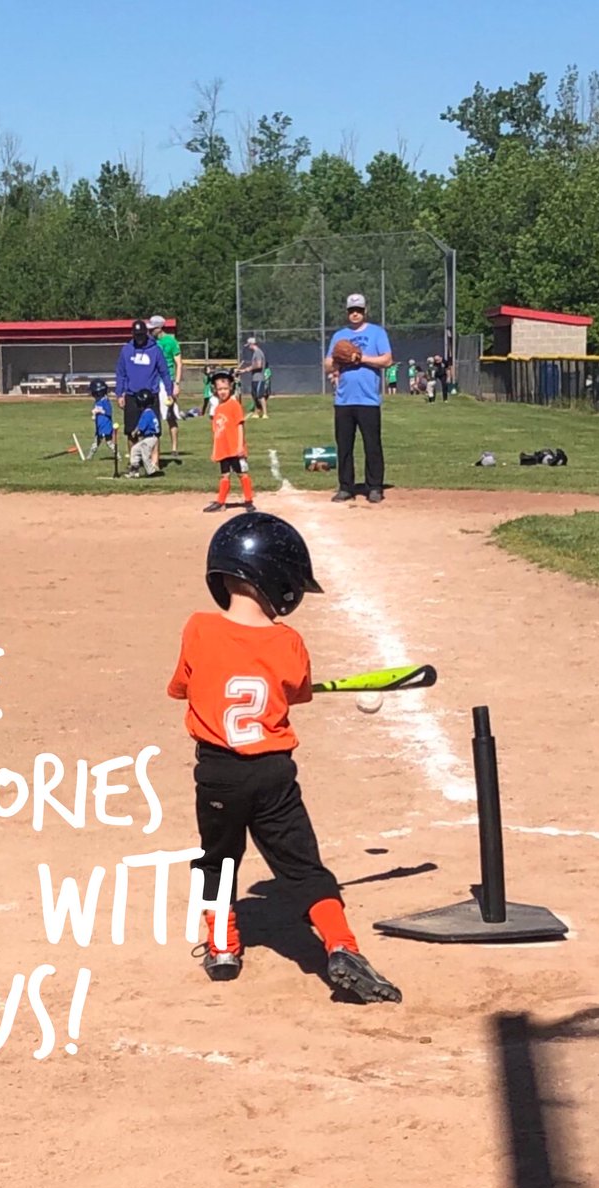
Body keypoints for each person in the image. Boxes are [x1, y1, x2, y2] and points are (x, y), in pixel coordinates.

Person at [166, 511, 402, 1003]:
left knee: (217, 860)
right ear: (279, 582)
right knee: (303, 867)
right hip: (274, 776)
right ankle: (341, 945)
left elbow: (183, 687)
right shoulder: (288, 642)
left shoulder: (197, 629)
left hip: (218, 775)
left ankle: (223, 945)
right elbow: (293, 691)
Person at [325, 294, 393, 504]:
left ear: (365, 311)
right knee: (344, 446)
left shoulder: (377, 333)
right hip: (344, 400)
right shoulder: (339, 335)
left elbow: (387, 360)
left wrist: (360, 358)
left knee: (372, 445)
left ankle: (374, 487)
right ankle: (346, 487)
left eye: (359, 310)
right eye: (352, 310)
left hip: (368, 400)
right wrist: (339, 361)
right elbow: (327, 363)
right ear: (347, 312)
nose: (355, 313)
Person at [203, 369, 254, 514]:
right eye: (219, 389)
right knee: (224, 475)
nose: (222, 392)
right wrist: (215, 450)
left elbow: (240, 425)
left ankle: (249, 500)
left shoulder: (234, 405)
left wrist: (240, 446)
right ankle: (221, 502)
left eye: (225, 388)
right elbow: (216, 432)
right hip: (223, 448)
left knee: (242, 473)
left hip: (235, 448)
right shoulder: (218, 408)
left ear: (230, 388)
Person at [115, 319, 173, 441]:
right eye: (137, 335)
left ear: (146, 333)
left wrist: (169, 392)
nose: (139, 338)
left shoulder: (156, 350)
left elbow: (165, 373)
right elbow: (121, 373)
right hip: (131, 395)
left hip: (151, 396)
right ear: (132, 334)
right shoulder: (126, 350)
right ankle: (134, 459)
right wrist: (119, 394)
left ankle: (153, 460)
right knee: (131, 432)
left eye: (141, 334)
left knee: (153, 432)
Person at [148, 316, 182, 462]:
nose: (150, 331)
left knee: (170, 416)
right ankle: (154, 449)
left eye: (152, 328)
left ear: (159, 328)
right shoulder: (150, 342)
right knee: (153, 415)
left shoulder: (171, 341)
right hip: (153, 382)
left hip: (167, 381)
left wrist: (177, 384)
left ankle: (174, 448)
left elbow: (179, 363)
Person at [125, 392, 162, 478]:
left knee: (145, 456)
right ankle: (134, 470)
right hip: (150, 438)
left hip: (150, 438)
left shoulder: (146, 414)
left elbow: (141, 427)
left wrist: (135, 432)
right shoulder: (151, 412)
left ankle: (152, 472)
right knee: (135, 449)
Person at [238, 337, 268, 419]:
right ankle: (257, 412)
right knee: (254, 396)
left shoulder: (258, 353)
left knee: (260, 396)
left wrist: (247, 369)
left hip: (259, 378)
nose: (248, 347)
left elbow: (259, 365)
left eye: (249, 345)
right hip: (255, 378)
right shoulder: (255, 353)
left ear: (252, 344)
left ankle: (265, 413)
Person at [90, 378, 116, 458]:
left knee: (109, 443)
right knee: (96, 442)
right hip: (99, 426)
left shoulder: (105, 401)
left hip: (106, 426)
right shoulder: (97, 401)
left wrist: (100, 411)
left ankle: (117, 455)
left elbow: (109, 412)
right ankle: (89, 456)